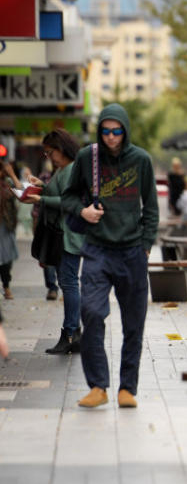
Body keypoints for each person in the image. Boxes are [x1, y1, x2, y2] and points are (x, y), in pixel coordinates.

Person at [62, 103, 159, 409]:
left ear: (126, 130)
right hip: (97, 250)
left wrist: (145, 246)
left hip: (132, 252)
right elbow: (67, 197)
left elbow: (152, 208)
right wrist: (83, 211)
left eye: (117, 132)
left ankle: (127, 388)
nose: (111, 138)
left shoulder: (141, 160)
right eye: (106, 131)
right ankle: (98, 386)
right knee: (91, 313)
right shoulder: (86, 158)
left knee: (134, 324)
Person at [24, 130, 84, 353]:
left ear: (62, 149)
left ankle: (71, 333)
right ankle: (71, 333)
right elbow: (58, 192)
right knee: (68, 282)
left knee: (68, 283)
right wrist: (40, 185)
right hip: (63, 234)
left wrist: (40, 198)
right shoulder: (64, 170)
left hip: (67, 236)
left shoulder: (69, 170)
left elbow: (68, 202)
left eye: (50, 152)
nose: (49, 157)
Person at [32, 159, 59, 301]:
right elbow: (36, 205)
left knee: (61, 259)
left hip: (62, 224)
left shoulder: (70, 175)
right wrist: (35, 223)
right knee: (47, 257)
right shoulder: (44, 177)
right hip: (46, 223)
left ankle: (64, 285)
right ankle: (52, 287)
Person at [0, 176, 18, 300]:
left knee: (6, 259)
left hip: (5, 225)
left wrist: (11, 174)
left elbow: (19, 191)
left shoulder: (7, 183)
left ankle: (6, 286)